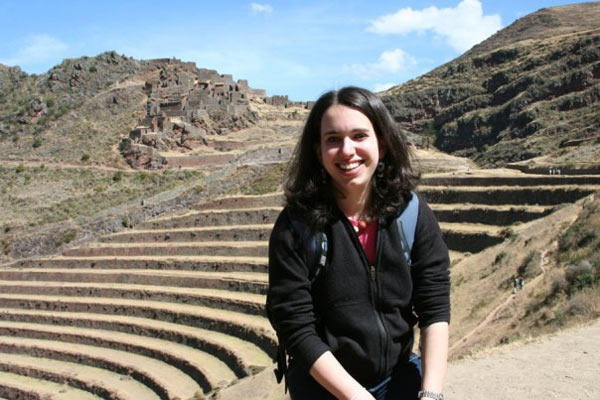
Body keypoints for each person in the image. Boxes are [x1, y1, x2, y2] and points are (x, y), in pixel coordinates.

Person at [267, 87, 450, 400]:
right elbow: (296, 326)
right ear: (317, 150)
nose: (347, 151)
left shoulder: (413, 213)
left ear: (382, 141)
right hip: (325, 388)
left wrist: (431, 394)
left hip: (400, 379)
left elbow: (434, 309)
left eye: (359, 136)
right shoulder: (296, 226)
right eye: (333, 139)